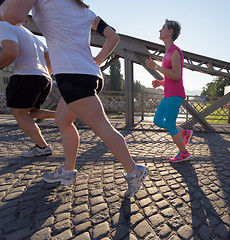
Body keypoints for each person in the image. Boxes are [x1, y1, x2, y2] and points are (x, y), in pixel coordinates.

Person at [1, 0, 148, 198]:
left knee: (102, 127)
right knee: (63, 120)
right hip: (90, 74)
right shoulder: (84, 10)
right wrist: (97, 60)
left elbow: (14, 17)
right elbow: (113, 36)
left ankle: (133, 170)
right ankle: (68, 171)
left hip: (73, 75)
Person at [0, 0, 55, 157]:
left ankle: (42, 147)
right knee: (31, 112)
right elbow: (49, 57)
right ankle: (64, 115)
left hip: (26, 76)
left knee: (19, 114)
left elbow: (11, 53)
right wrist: (44, 74)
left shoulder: (3, 25)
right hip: (44, 77)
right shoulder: (29, 33)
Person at [145, 19, 193, 163]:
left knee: (170, 123)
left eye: (163, 28)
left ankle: (183, 153)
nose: (160, 30)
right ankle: (184, 133)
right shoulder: (167, 53)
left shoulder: (175, 51)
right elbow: (171, 75)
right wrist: (161, 82)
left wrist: (156, 67)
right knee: (158, 120)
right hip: (168, 93)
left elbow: (177, 75)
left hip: (175, 94)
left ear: (170, 32)